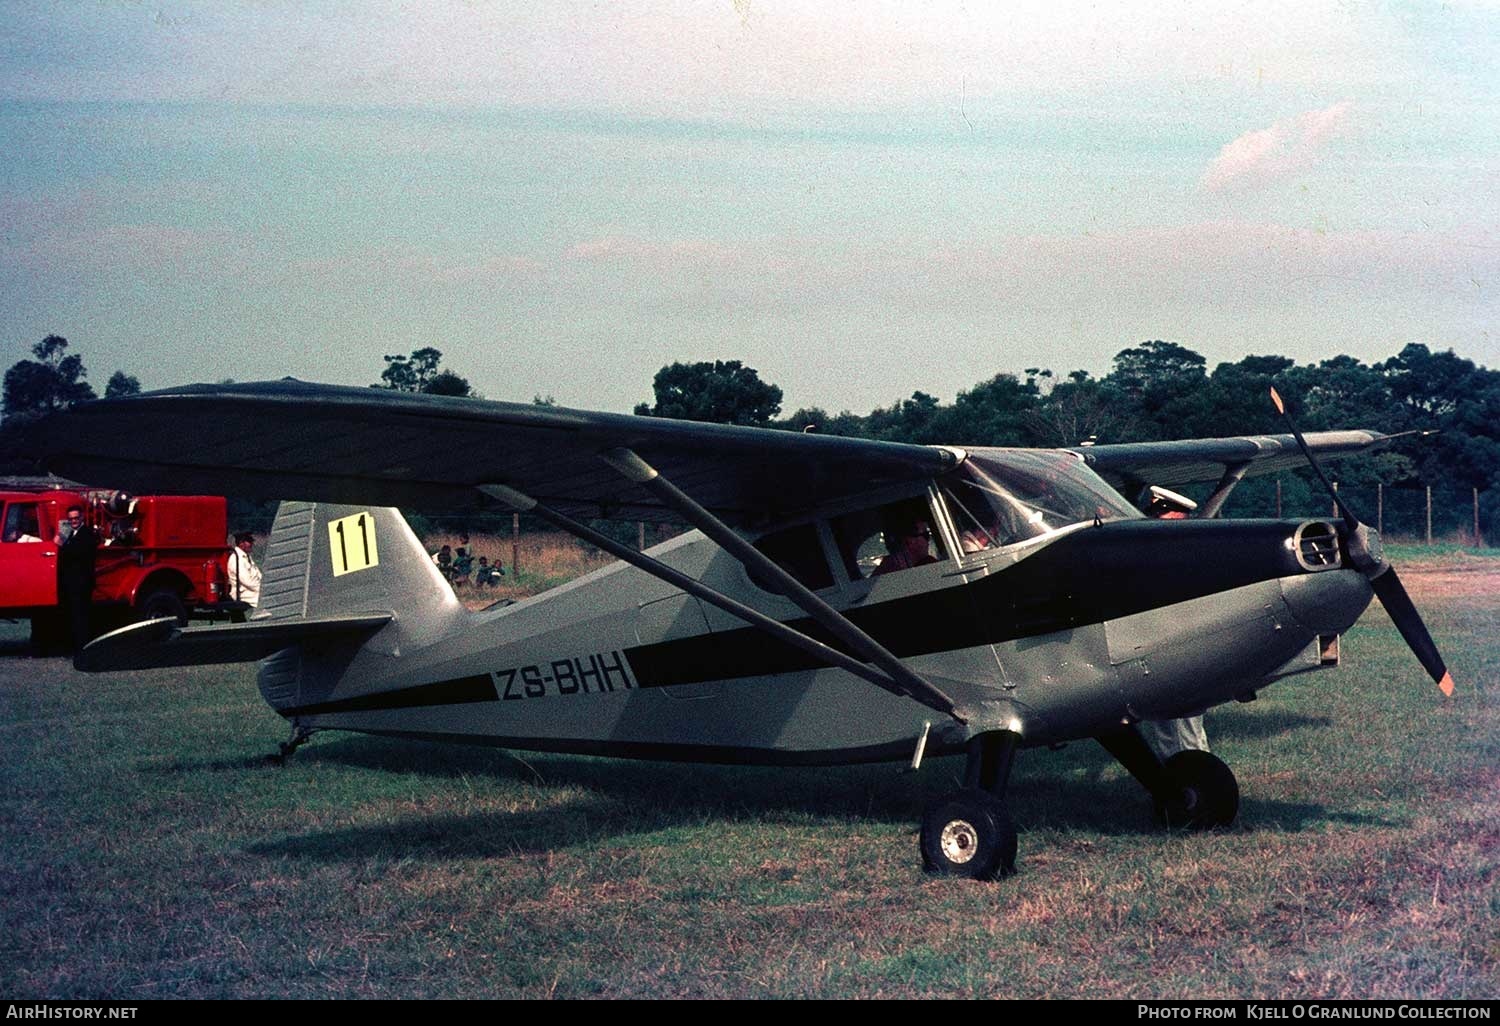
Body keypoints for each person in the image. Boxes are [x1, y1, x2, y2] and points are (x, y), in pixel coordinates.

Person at [55, 505, 98, 651]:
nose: (73, 521)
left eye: (76, 518)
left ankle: (83, 646)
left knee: (81, 615)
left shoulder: (87, 534)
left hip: (82, 582)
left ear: (82, 518)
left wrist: (62, 545)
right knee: (74, 614)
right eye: (71, 519)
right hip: (72, 582)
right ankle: (75, 645)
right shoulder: (72, 534)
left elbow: (80, 554)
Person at [873, 514, 939, 575]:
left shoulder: (929, 563)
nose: (928, 542)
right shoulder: (888, 568)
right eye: (926, 535)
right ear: (910, 541)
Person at [228, 531, 262, 606]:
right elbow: (248, 582)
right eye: (249, 541)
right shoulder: (236, 559)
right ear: (241, 543)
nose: (252, 544)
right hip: (244, 594)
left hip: (252, 591)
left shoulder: (246, 557)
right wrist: (264, 590)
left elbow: (258, 575)